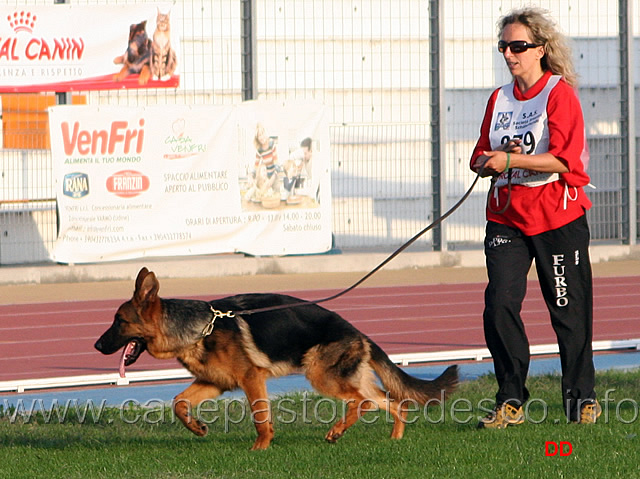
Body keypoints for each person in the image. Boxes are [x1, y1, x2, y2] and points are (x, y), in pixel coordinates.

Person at [470, 7, 600, 428]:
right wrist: (486, 163)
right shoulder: (499, 98)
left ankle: (580, 400)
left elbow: (566, 159)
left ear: (540, 50)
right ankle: (510, 399)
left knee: (567, 309)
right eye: (504, 46)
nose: (510, 53)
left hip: (556, 217)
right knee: (498, 305)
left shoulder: (559, 94)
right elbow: (478, 154)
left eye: (518, 46)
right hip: (507, 217)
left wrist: (511, 158)